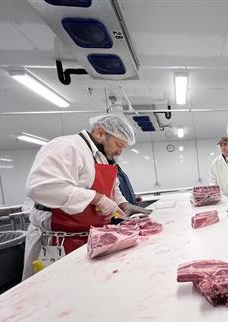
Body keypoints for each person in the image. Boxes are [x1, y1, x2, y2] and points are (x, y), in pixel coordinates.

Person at [22, 114, 149, 279]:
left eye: (124, 147)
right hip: (56, 242)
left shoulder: (103, 157)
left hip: (91, 238)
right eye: (118, 145)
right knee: (52, 292)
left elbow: (113, 187)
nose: (120, 152)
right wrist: (97, 198)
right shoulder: (67, 146)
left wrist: (123, 203)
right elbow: (40, 187)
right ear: (100, 133)